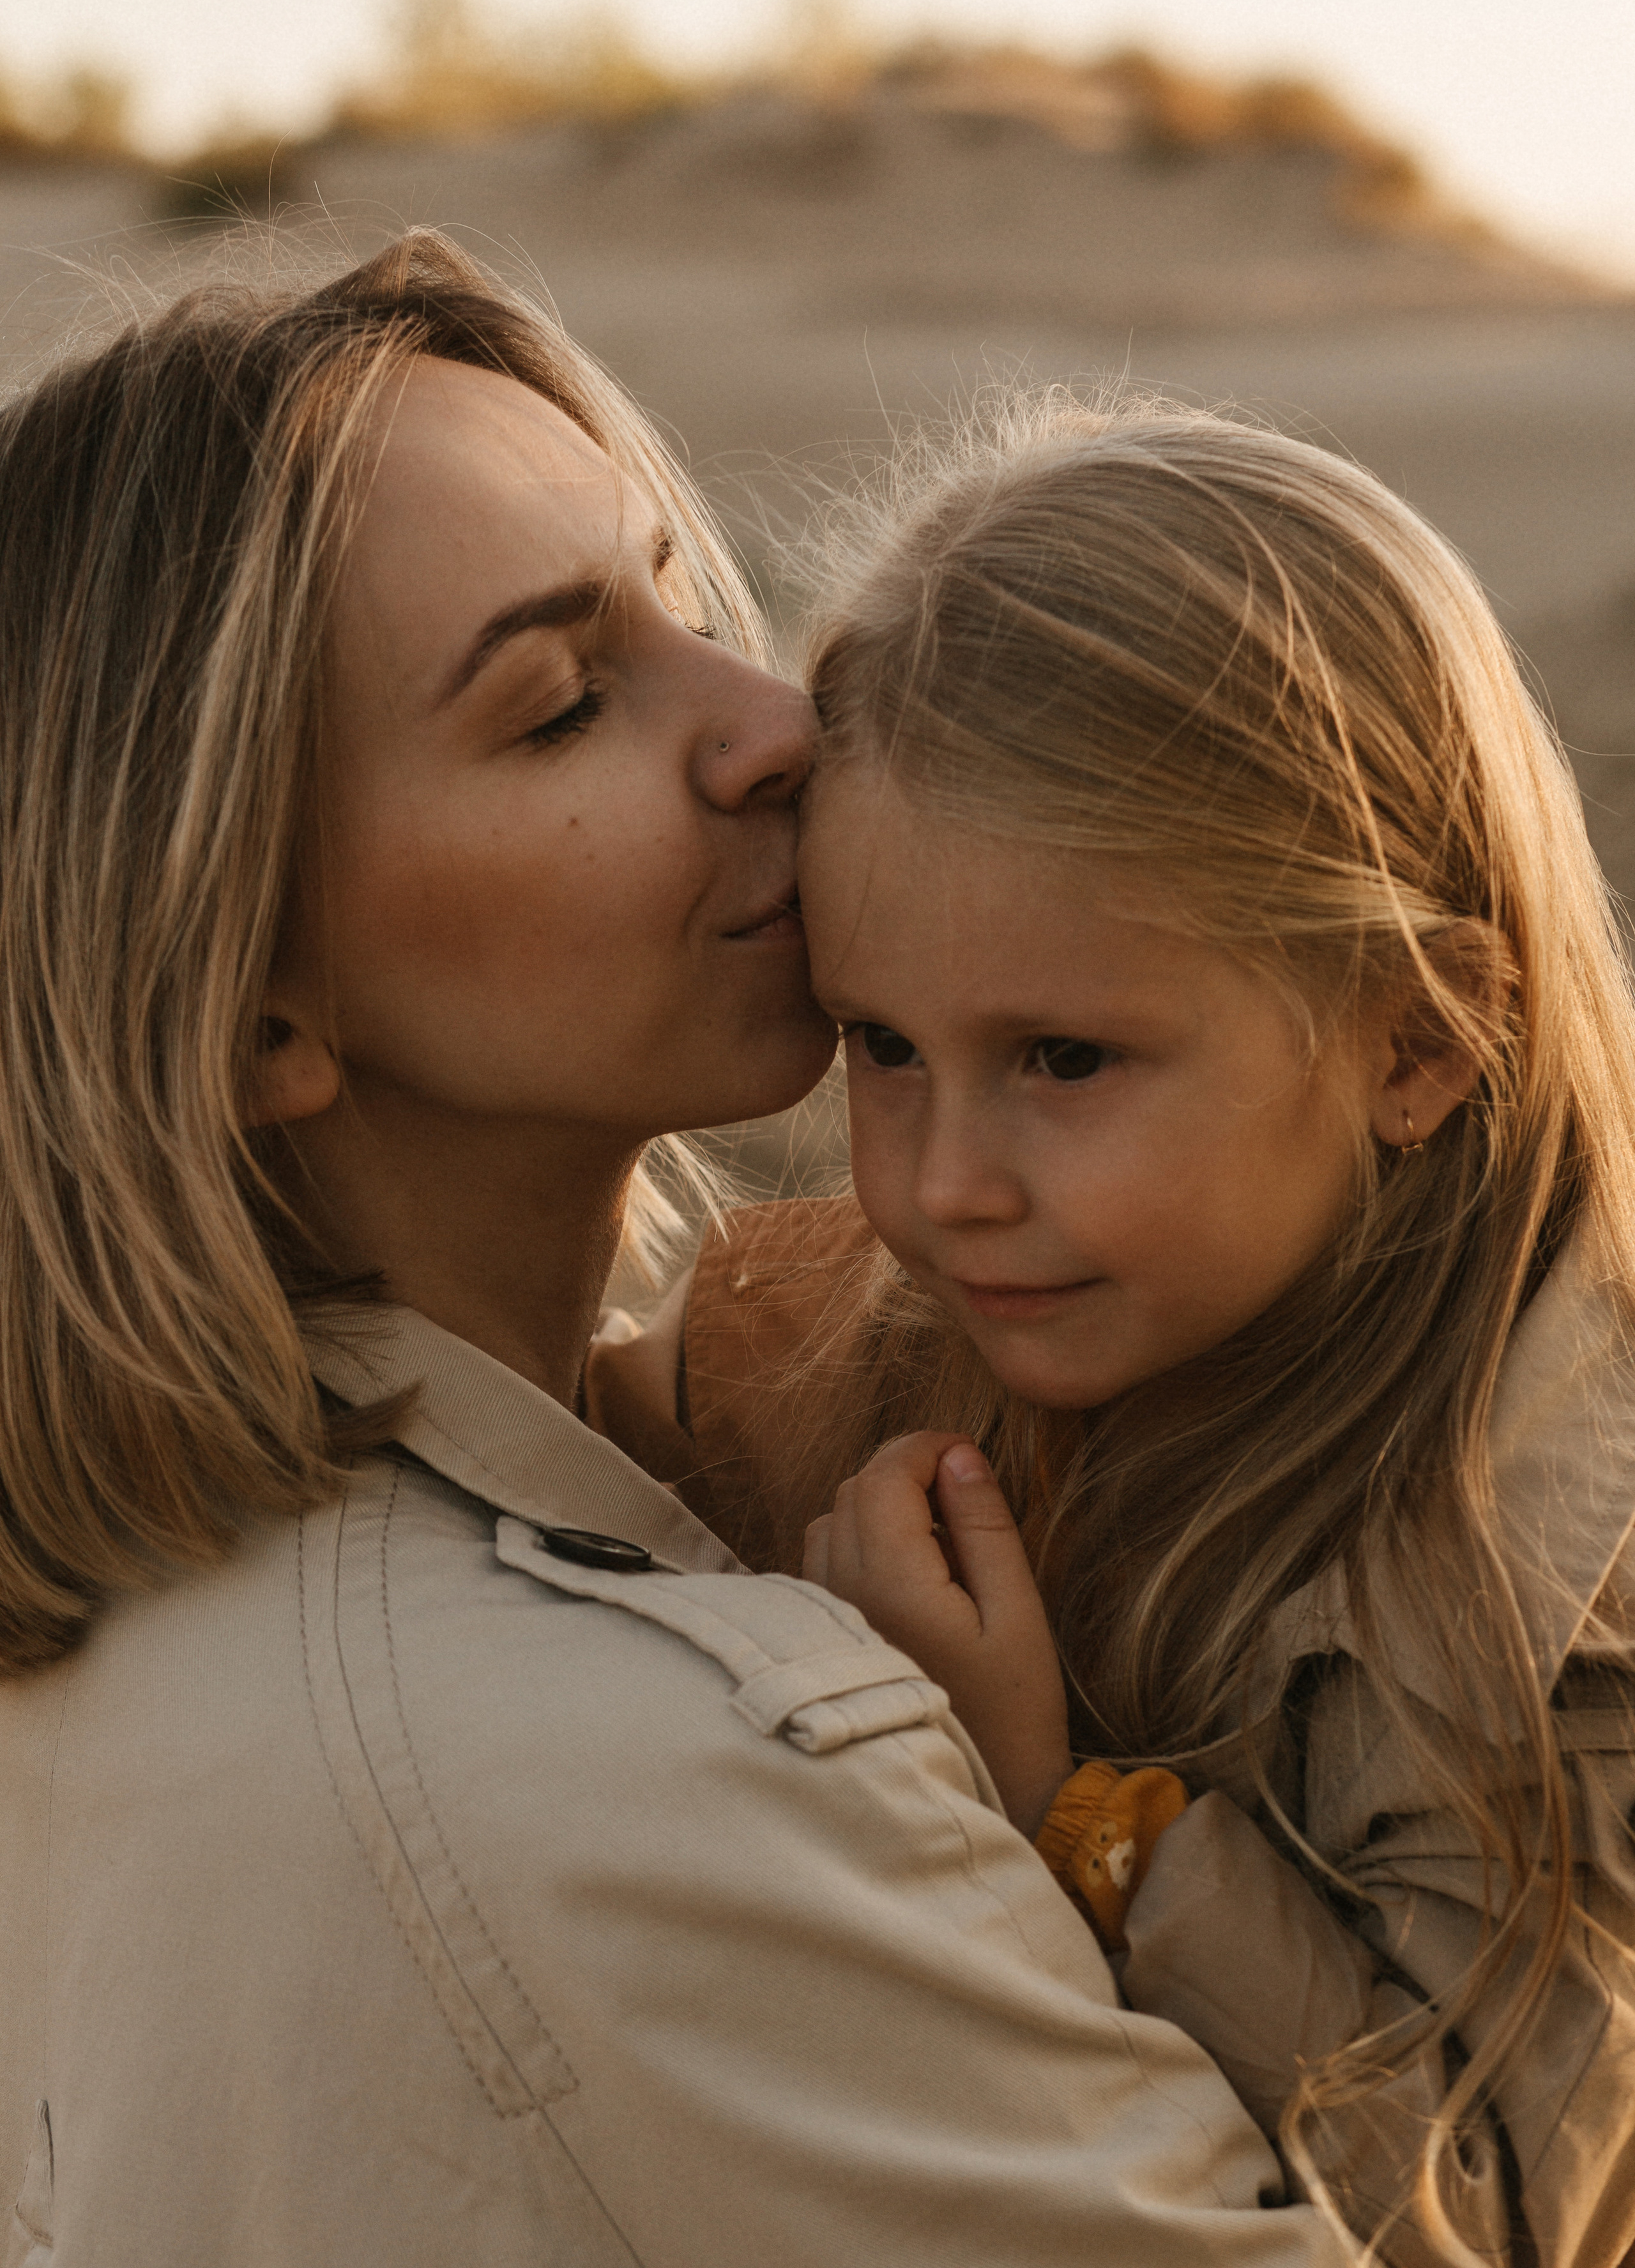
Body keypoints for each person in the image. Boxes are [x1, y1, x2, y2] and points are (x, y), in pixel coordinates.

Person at [0, 238, 1350, 2266]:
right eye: (561, 707)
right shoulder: (643, 1780)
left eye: (680, 593)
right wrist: (1037, 1830)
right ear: (249, 1003)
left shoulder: (155, 1605)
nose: (774, 723)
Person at [590, 397, 1635, 2266]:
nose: (942, 1186)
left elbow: (1508, 2206)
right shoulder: (875, 1320)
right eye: (882, 1048)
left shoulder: (1555, 1582)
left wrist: (1058, 1808)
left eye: (1064, 1059)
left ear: (1414, 1041)